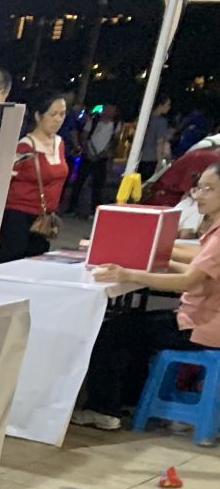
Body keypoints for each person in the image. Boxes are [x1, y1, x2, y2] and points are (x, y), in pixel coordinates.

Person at [74, 163, 220, 442]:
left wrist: (128, 274)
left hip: (200, 328)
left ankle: (102, 409)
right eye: (199, 187)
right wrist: (159, 256)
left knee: (113, 331)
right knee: (135, 328)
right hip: (203, 320)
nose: (199, 195)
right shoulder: (214, 231)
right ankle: (128, 400)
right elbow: (198, 267)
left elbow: (187, 281)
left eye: (208, 189)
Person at [0, 92, 70, 265]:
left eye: (62, 114)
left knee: (36, 261)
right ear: (38, 116)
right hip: (18, 216)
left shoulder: (60, 143)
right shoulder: (25, 146)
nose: (58, 119)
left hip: (44, 217)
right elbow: (4, 180)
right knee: (12, 261)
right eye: (53, 114)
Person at [67, 103, 119, 216]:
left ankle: (94, 210)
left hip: (101, 158)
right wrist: (87, 150)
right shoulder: (93, 121)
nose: (110, 112)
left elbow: (114, 141)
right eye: (108, 109)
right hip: (88, 155)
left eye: (113, 110)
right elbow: (84, 136)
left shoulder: (115, 125)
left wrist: (107, 154)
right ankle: (72, 207)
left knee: (98, 185)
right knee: (79, 182)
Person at [138, 94, 174, 178]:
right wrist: (160, 161)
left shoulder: (145, 119)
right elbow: (160, 142)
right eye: (168, 105)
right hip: (152, 158)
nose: (169, 107)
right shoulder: (161, 121)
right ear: (160, 105)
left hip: (139, 157)